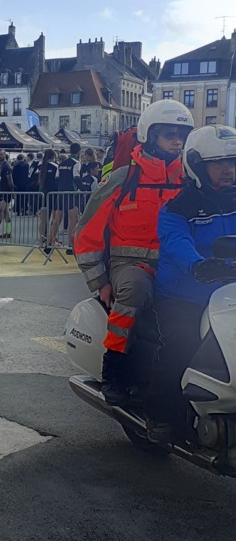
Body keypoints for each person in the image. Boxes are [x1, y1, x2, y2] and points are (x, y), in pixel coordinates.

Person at [74, 98, 194, 405]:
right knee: (134, 292)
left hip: (175, 264)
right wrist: (99, 282)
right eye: (169, 134)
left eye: (181, 134)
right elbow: (87, 233)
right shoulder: (124, 178)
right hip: (130, 264)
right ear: (150, 136)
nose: (177, 140)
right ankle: (114, 371)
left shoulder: (189, 181)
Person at [146, 125, 236, 442]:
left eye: (233, 162)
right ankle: (160, 417)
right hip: (183, 296)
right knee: (182, 345)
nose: (229, 170)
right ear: (197, 166)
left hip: (228, 295)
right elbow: (176, 243)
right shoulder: (176, 209)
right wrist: (198, 265)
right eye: (219, 163)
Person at [48, 142, 82, 254]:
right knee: (73, 219)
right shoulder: (76, 163)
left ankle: (49, 243)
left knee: (57, 219)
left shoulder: (61, 164)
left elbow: (56, 178)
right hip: (71, 194)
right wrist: (81, 189)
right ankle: (70, 246)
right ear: (78, 152)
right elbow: (76, 179)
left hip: (60, 193)